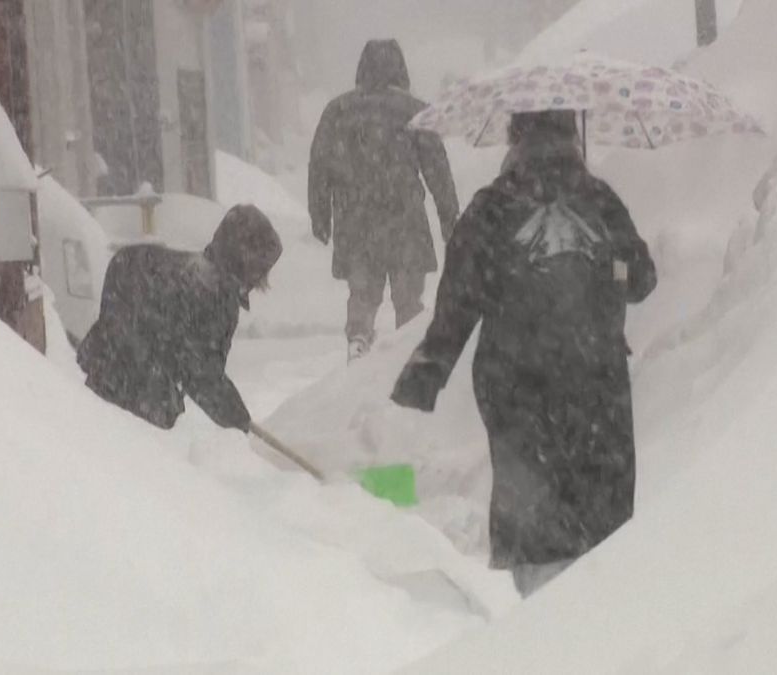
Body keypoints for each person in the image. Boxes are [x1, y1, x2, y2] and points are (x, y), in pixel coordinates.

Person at [391, 111, 657, 597]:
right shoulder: (600, 201)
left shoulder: (491, 208)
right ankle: (605, 619)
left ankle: (540, 629)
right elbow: (642, 280)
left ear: (514, 139)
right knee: (601, 516)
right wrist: (604, 265)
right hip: (596, 385)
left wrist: (428, 371)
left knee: (533, 512)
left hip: (516, 387)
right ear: (572, 136)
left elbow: (458, 300)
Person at [308, 39, 460, 361]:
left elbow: (319, 166)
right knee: (408, 300)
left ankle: (359, 339)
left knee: (362, 295)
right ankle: (408, 354)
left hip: (355, 219)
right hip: (404, 218)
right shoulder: (415, 111)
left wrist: (320, 216)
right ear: (400, 68)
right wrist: (449, 218)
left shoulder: (338, 110)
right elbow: (438, 170)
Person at [77, 204, 282, 431]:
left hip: (105, 370)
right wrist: (239, 422)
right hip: (139, 394)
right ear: (247, 262)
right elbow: (203, 376)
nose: (262, 278)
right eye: (261, 268)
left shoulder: (172, 267)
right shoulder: (215, 296)